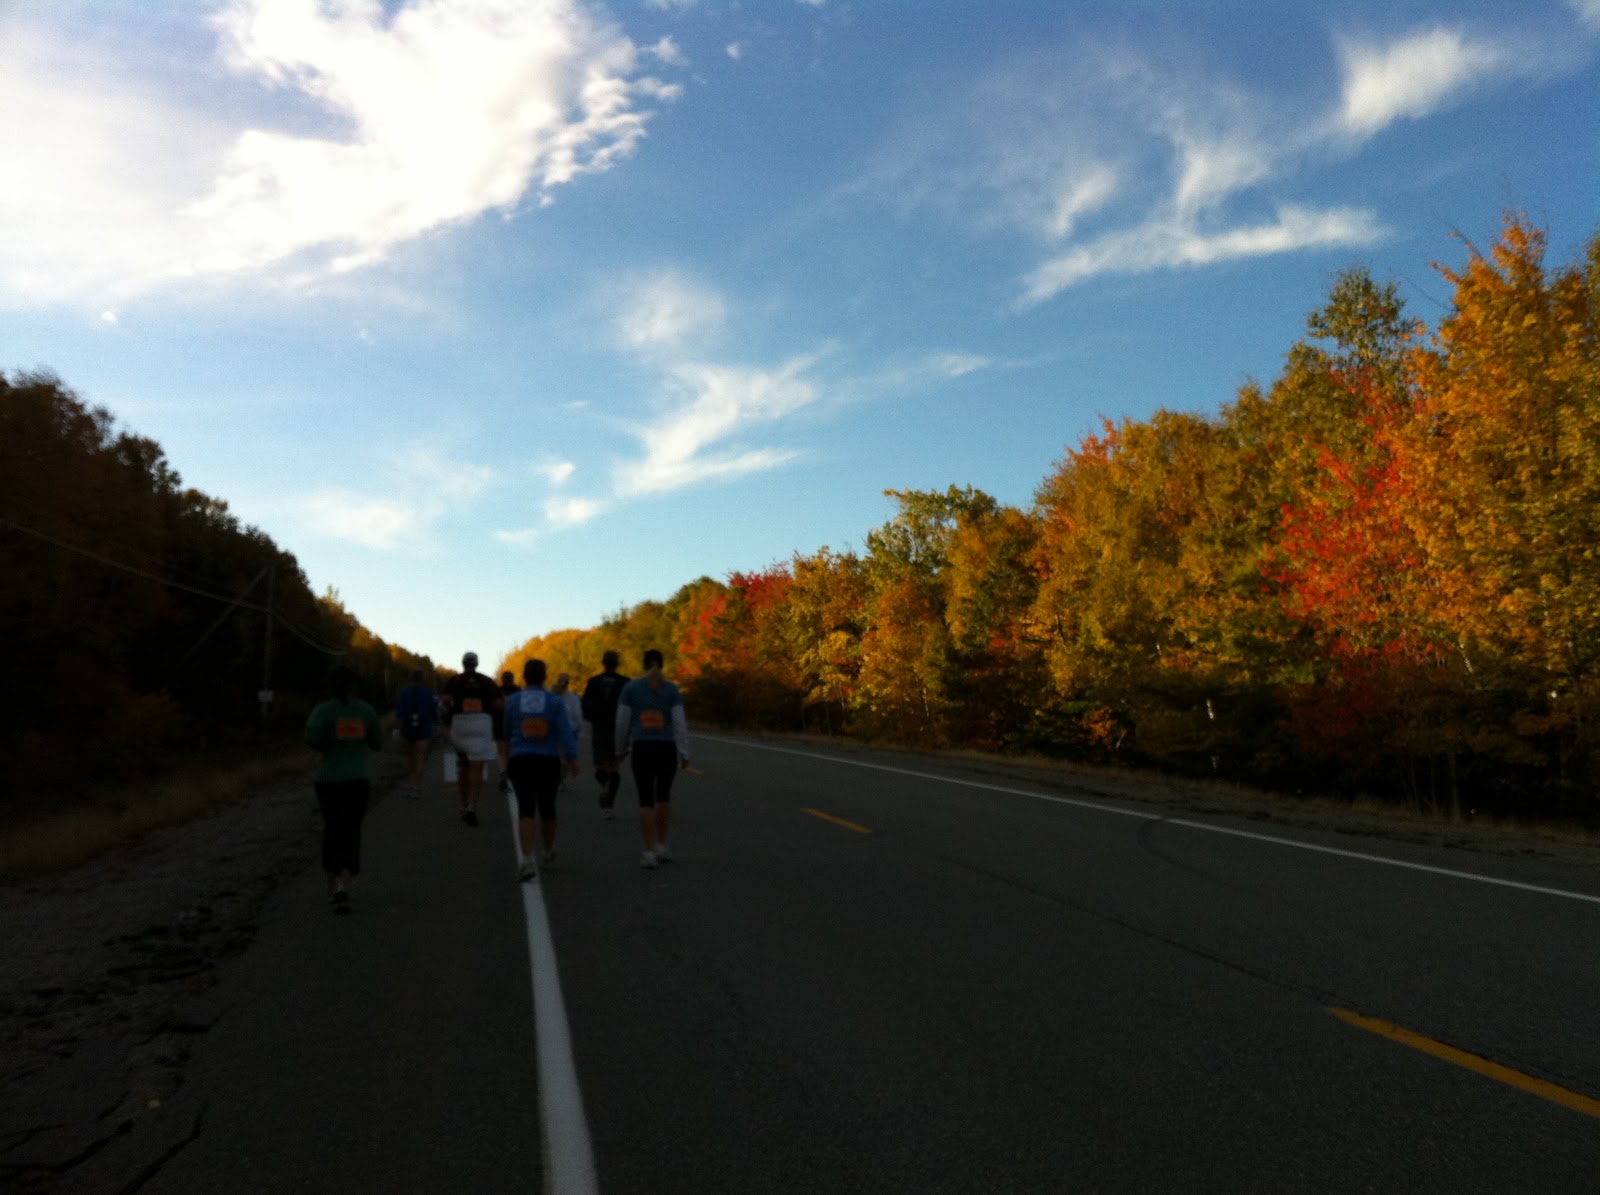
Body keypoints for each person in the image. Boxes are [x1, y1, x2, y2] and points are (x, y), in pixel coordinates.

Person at [304, 665, 384, 912]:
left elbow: (311, 738)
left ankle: (331, 883)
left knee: (332, 828)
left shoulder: (323, 710)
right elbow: (377, 743)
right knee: (351, 829)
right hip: (357, 780)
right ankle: (344, 881)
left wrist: (330, 746)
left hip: (328, 780)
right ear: (353, 685)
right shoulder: (366, 711)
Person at [500, 659, 580, 880]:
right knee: (547, 807)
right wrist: (572, 758)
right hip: (547, 761)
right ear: (545, 677)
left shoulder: (514, 702)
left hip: (521, 760)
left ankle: (526, 860)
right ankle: (547, 849)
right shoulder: (554, 702)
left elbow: (506, 733)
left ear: (524, 677)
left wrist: (505, 760)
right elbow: (565, 731)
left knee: (525, 808)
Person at [615, 648, 691, 868]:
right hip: (666, 749)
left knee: (645, 799)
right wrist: (684, 752)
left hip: (642, 749)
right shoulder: (672, 690)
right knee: (664, 797)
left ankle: (648, 852)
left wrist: (619, 750)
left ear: (643, 665)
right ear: (662, 665)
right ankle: (661, 846)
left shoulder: (630, 689)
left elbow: (622, 722)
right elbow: (679, 724)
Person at [441, 651, 504, 826]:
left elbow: (445, 700)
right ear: (476, 664)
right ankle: (471, 806)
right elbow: (499, 704)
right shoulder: (487, 681)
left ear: (463, 663)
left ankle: (463, 803)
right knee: (477, 768)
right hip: (482, 723)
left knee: (463, 767)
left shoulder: (455, 680)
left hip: (460, 723)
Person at [581, 650, 630, 819]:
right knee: (614, 766)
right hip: (619, 730)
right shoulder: (625, 683)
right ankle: (609, 805)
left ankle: (604, 785)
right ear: (617, 663)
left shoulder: (593, 682)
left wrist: (594, 717)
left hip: (600, 729)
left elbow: (585, 706)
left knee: (600, 765)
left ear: (603, 662)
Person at [393, 668, 436, 797]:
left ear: (410, 678)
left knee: (410, 757)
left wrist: (397, 729)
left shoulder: (404, 692)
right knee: (420, 756)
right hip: (423, 726)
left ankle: (412, 784)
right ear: (423, 679)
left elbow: (399, 711)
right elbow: (433, 710)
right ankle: (417, 786)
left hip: (407, 726)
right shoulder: (429, 692)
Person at [497, 670, 522, 793]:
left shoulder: (498, 691)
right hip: (514, 723)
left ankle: (503, 774)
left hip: (499, 722)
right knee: (512, 751)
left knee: (502, 752)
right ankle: (514, 774)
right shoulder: (518, 691)